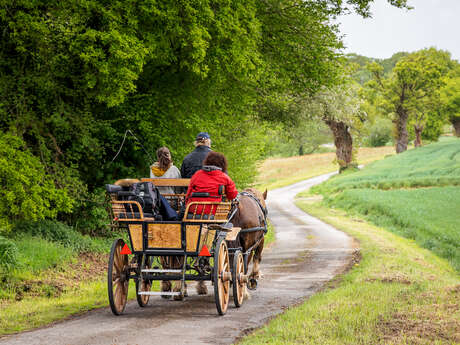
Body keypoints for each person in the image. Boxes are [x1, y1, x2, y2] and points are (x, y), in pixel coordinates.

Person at [185, 151, 238, 217]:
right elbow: (232, 195)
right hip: (210, 214)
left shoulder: (197, 174)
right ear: (222, 164)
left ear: (207, 162)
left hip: (192, 212)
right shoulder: (224, 177)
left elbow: (188, 194)